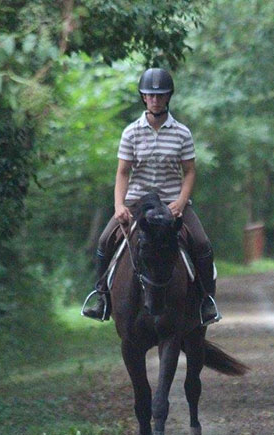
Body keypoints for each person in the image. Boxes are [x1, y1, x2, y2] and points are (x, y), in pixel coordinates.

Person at [81, 67, 221, 325]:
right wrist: (119, 205)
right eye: (150, 95)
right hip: (136, 202)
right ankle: (101, 298)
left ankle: (205, 303)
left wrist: (180, 201)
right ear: (143, 98)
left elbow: (189, 172)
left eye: (160, 95)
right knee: (103, 241)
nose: (155, 100)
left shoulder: (182, 133)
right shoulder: (131, 132)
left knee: (202, 244)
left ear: (168, 97)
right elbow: (123, 172)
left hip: (172, 204)